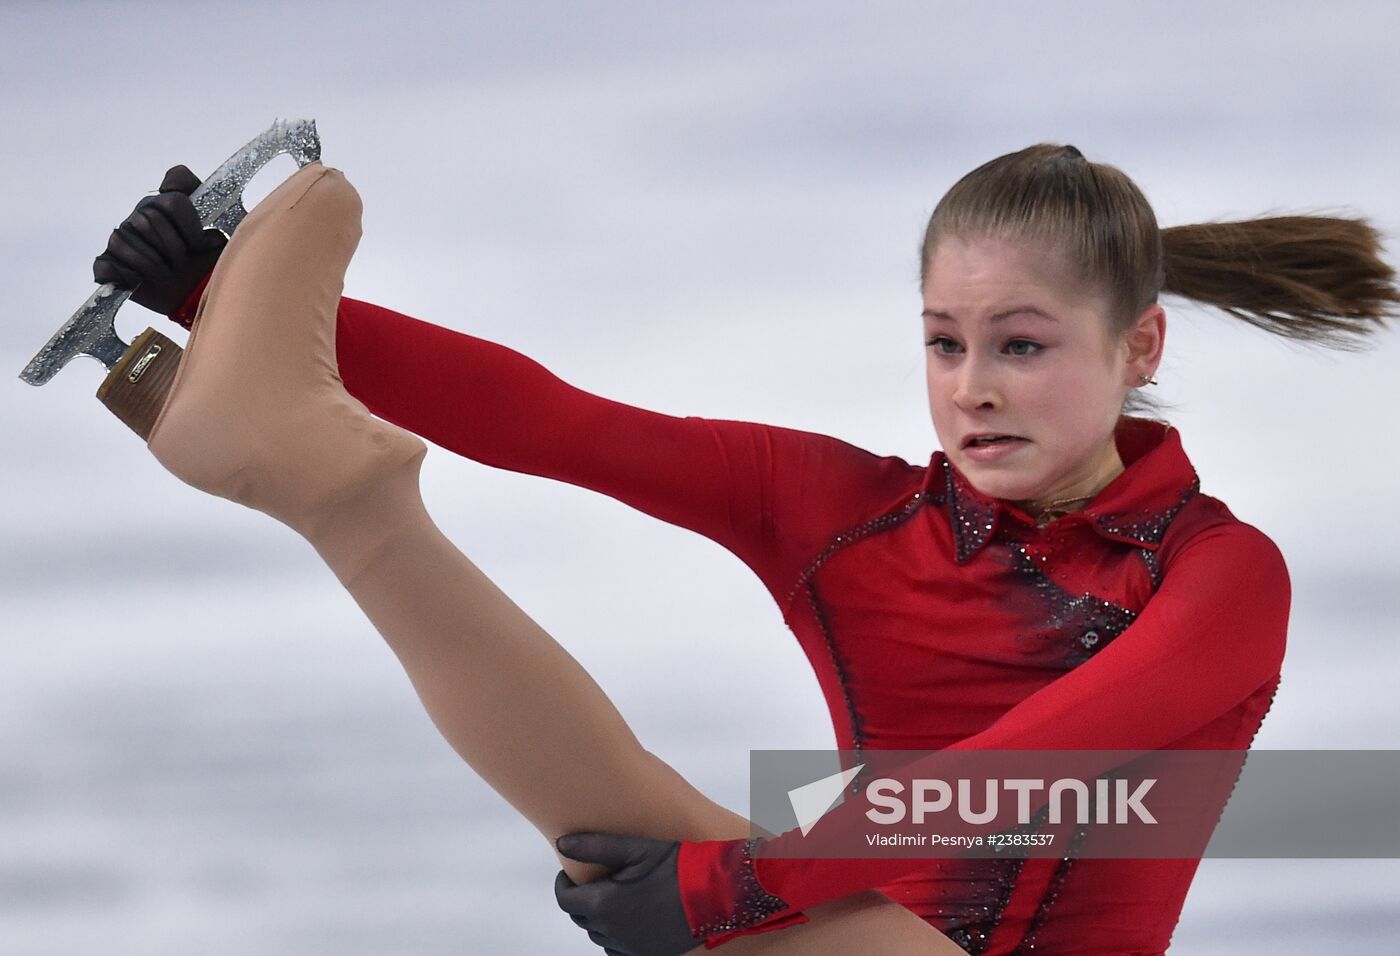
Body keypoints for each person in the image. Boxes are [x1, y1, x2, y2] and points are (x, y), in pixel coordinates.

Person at [94, 144, 1398, 955]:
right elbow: (561, 423)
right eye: (945, 342)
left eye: (1024, 344)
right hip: (812, 926)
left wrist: (725, 891)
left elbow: (1009, 778)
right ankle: (320, 472)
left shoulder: (1216, 576)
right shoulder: (846, 510)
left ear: (1141, 348)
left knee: (653, 842)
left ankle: (336, 495)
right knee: (614, 834)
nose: (973, 388)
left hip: (808, 917)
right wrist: (216, 294)